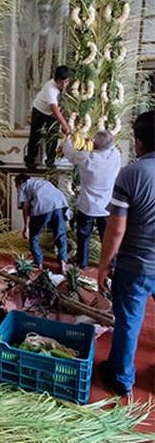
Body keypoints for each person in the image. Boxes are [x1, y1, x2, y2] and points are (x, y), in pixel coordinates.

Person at [98, 111, 155, 400]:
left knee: (128, 323)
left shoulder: (132, 173)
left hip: (136, 265)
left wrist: (103, 266)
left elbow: (116, 230)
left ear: (139, 141)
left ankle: (121, 378)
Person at [63, 130, 121, 269]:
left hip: (87, 205)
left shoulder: (86, 157)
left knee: (84, 235)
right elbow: (110, 144)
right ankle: (111, 264)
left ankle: (82, 263)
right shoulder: (116, 155)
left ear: (94, 144)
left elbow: (69, 153)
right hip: (107, 205)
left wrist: (69, 138)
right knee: (107, 238)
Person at [15, 174, 69, 271]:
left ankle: (38, 262)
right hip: (59, 204)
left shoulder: (23, 186)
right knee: (60, 234)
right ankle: (63, 261)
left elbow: (25, 208)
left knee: (34, 235)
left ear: (19, 182)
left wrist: (26, 227)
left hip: (43, 206)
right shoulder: (42, 182)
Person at [25, 65, 71, 169]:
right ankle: (30, 160)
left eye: (66, 81)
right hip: (39, 111)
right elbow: (54, 109)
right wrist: (65, 126)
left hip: (52, 113)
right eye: (61, 82)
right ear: (56, 80)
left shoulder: (64, 85)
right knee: (35, 136)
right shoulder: (50, 88)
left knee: (53, 137)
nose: (64, 85)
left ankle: (50, 161)